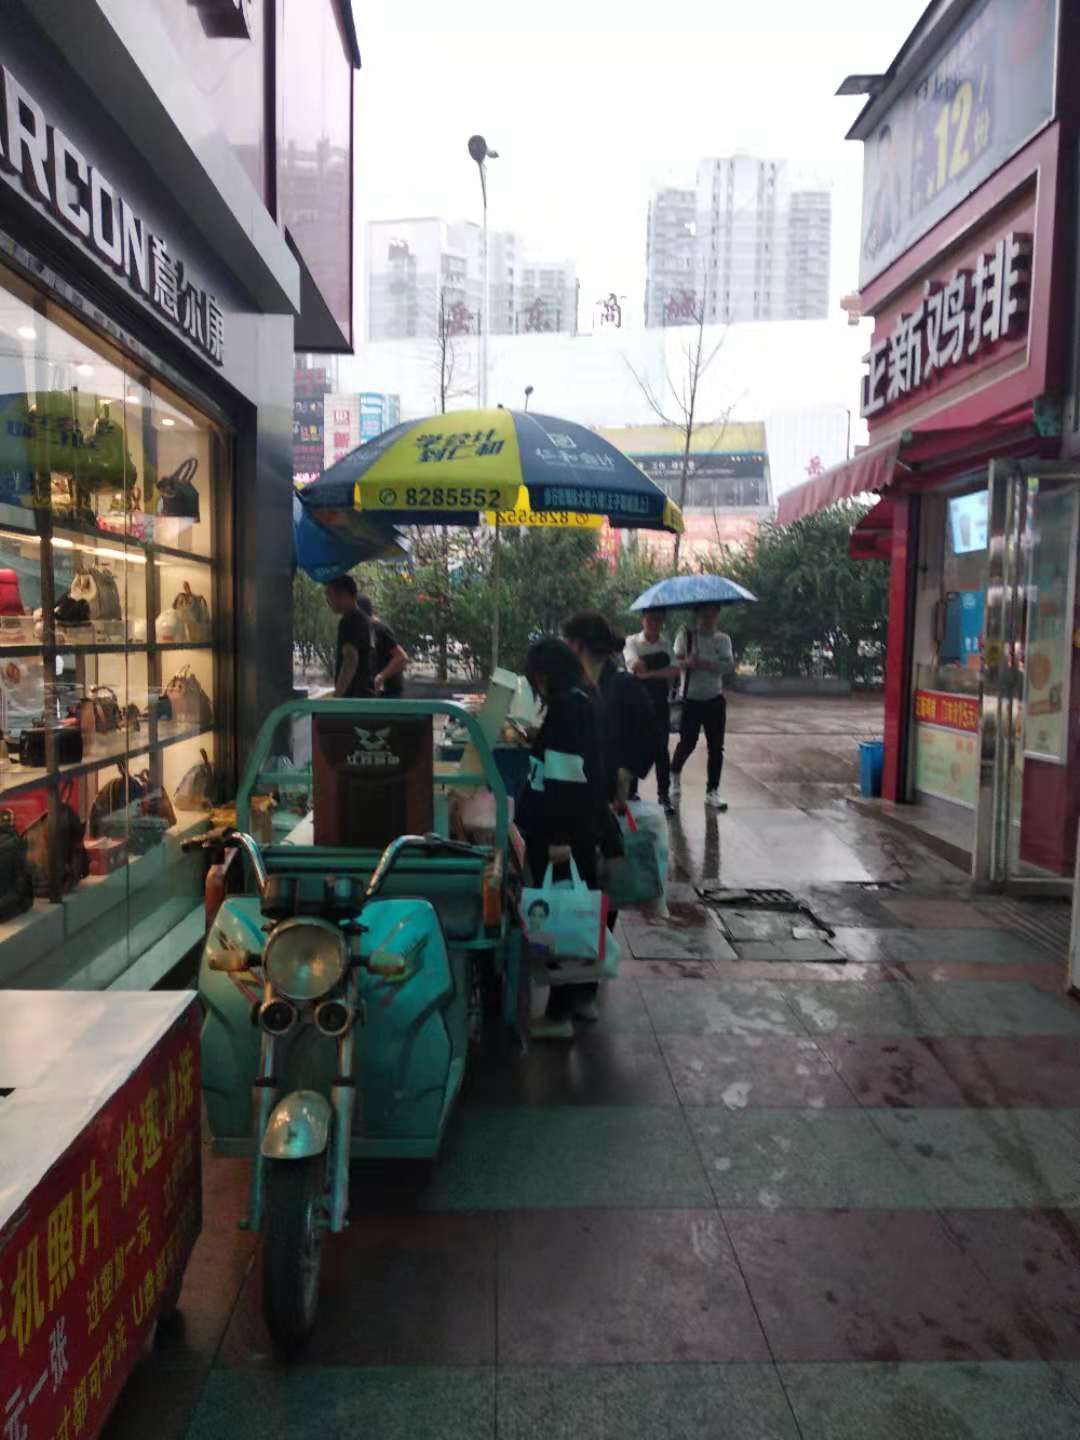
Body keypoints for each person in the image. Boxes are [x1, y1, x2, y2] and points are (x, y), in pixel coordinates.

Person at [515, 637, 610, 1040]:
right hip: (581, 828)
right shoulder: (584, 699)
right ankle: (582, 999)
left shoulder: (568, 708)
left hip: (562, 832)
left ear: (544, 674)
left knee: (557, 918)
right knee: (577, 912)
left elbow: (564, 778)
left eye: (535, 678)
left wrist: (557, 839)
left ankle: (558, 1015)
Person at [670, 604, 734, 811]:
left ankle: (712, 791)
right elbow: (674, 662)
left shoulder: (723, 639)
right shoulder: (686, 637)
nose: (708, 618)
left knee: (716, 748)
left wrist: (708, 664)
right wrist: (688, 662)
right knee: (687, 743)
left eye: (713, 614)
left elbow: (728, 665)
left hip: (714, 699)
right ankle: (674, 775)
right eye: (704, 614)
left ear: (717, 616)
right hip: (691, 699)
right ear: (697, 615)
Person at [623, 607, 679, 813]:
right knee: (634, 746)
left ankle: (663, 795)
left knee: (661, 750)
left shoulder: (666, 643)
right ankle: (630, 793)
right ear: (643, 620)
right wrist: (661, 664)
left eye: (658, 620)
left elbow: (675, 669)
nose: (654, 623)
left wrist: (649, 674)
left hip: (659, 702)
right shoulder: (631, 641)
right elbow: (635, 666)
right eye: (650, 619)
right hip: (635, 703)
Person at [324, 575, 373, 698]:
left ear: (343, 594)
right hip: (364, 695)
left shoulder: (350, 620)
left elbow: (350, 659)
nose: (328, 601)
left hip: (353, 699)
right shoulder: (363, 618)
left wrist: (337, 697)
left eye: (329, 595)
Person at [356, 594, 409, 697]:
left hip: (390, 694)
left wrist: (381, 676)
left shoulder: (381, 630)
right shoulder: (366, 630)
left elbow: (401, 657)